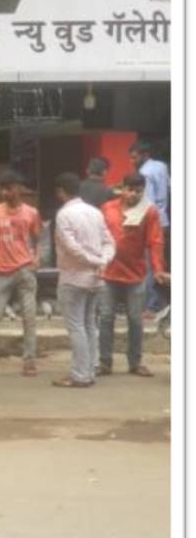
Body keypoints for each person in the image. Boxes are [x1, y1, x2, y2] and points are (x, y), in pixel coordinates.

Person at [98, 173, 168, 377]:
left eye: (138, 191)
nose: (133, 195)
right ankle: (104, 363)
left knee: (136, 320)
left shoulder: (149, 211)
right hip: (107, 272)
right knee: (105, 318)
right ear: (122, 188)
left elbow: (155, 242)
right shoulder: (107, 208)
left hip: (135, 274)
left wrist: (158, 269)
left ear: (143, 191)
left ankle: (136, 362)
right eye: (130, 190)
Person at [52, 172, 116, 388]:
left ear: (61, 192)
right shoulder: (95, 212)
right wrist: (102, 261)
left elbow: (72, 248)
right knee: (89, 324)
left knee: (78, 326)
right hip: (96, 277)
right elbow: (109, 242)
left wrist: (95, 261)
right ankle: (89, 370)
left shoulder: (64, 215)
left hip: (74, 277)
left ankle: (81, 374)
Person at [0, 171, 42, 376]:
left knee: (29, 317)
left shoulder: (31, 213)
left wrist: (36, 258)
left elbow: (38, 238)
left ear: (19, 189)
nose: (7, 192)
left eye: (10, 187)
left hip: (24, 270)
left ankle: (29, 361)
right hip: (0, 271)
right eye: (4, 188)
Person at [129, 141, 170, 314]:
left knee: (149, 264)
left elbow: (147, 202)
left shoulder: (144, 173)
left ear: (144, 155)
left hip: (151, 222)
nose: (132, 161)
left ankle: (152, 305)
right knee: (159, 262)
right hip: (164, 219)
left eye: (134, 157)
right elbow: (169, 187)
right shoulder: (161, 166)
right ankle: (160, 302)